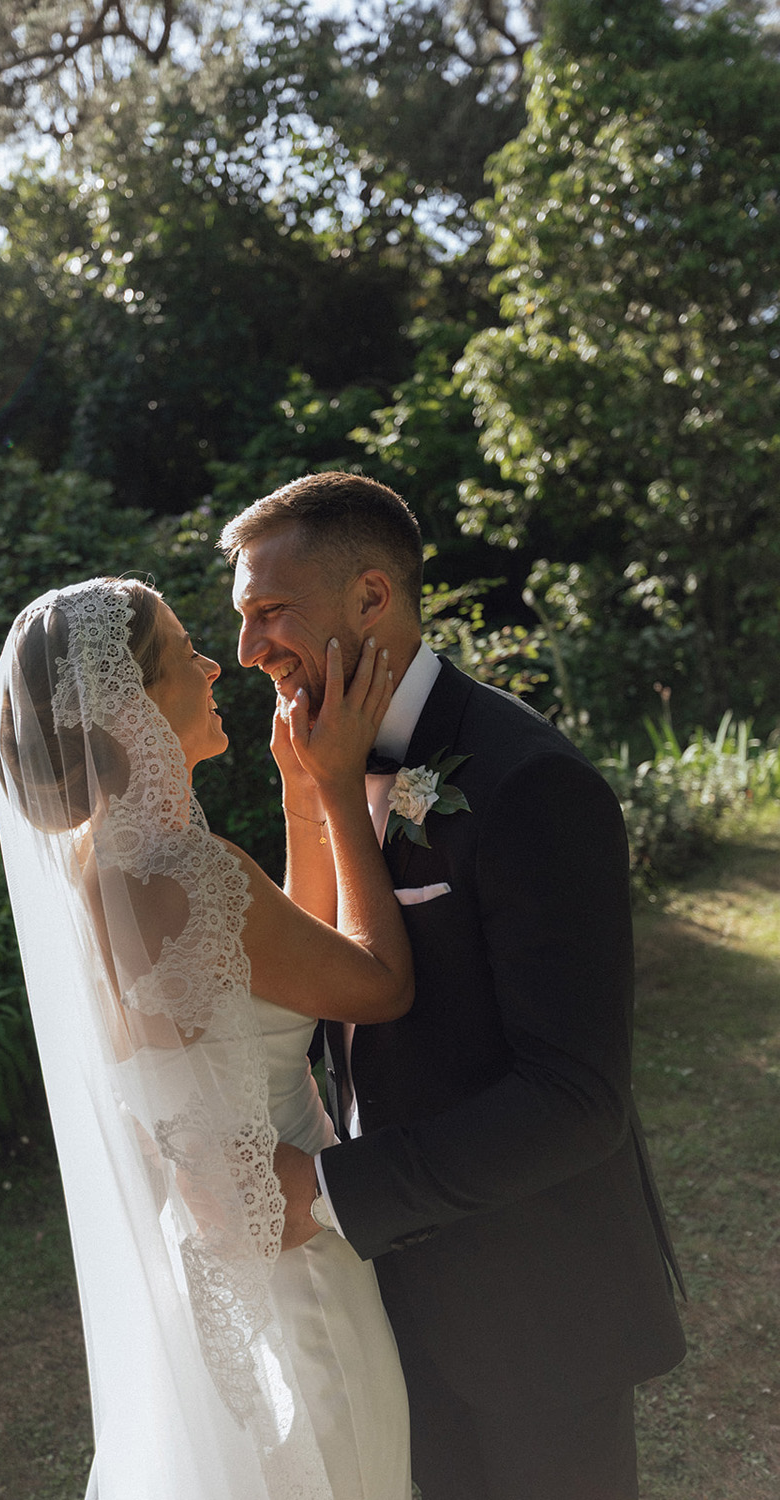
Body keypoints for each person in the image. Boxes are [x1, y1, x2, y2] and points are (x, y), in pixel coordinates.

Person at [219, 471, 687, 1500]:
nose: (249, 652)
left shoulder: (529, 785)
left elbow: (575, 1100)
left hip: (537, 1313)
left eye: (270, 614)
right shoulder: (323, 758)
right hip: (390, 1302)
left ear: (373, 599)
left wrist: (334, 1192)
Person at [0, 575, 415, 1500]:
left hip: (216, 1269)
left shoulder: (101, 868)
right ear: (132, 707)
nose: (216, 664)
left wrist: (299, 801)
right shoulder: (188, 870)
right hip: (302, 1269)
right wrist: (343, 793)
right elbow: (377, 984)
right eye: (187, 654)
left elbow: (285, 961)